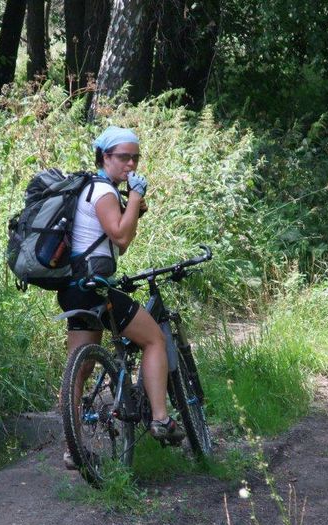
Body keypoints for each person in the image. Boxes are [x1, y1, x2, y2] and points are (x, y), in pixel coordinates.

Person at [58, 125, 185, 469]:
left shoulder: (92, 188)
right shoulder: (103, 191)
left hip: (74, 289)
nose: (131, 164)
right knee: (154, 340)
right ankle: (161, 419)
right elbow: (121, 237)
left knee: (80, 367)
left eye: (135, 158)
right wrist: (136, 197)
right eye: (123, 157)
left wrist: (132, 208)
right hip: (95, 289)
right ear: (104, 157)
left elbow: (115, 242)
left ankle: (73, 449)